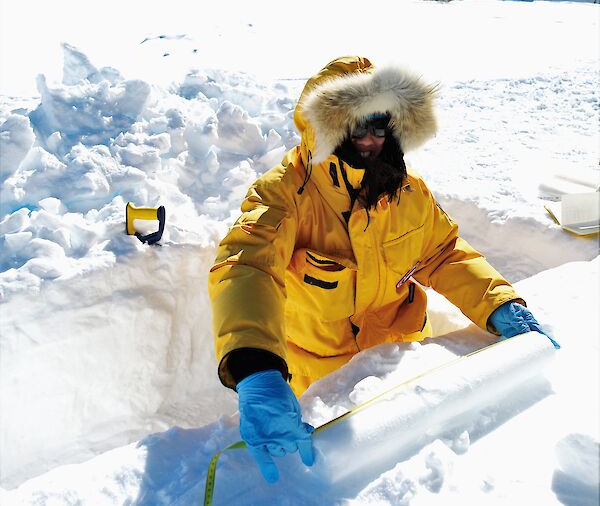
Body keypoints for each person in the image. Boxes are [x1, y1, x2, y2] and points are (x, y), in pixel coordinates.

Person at [208, 56, 558, 483]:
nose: (372, 141)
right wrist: (254, 367)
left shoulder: (406, 190)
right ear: (328, 126)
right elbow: (247, 266)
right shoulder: (285, 192)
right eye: (358, 127)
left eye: (381, 127)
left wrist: (496, 301)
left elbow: (443, 252)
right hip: (321, 385)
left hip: (404, 368)